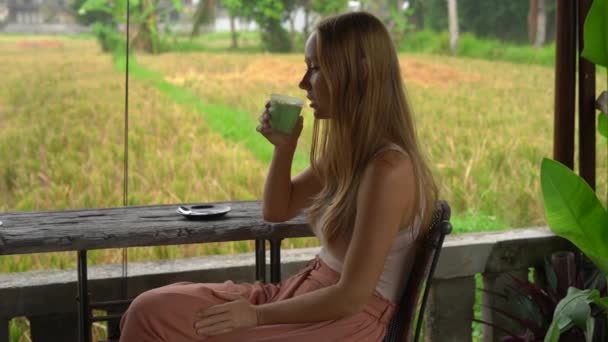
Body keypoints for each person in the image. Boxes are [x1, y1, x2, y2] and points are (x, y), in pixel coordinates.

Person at [119, 11, 438, 342]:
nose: (303, 83)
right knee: (151, 309)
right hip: (306, 294)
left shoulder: (388, 170)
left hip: (345, 319)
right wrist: (284, 148)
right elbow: (277, 210)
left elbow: (351, 297)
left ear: (360, 72)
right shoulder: (348, 154)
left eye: (315, 68)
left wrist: (254, 315)